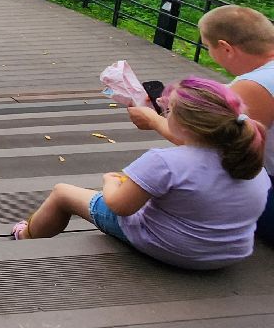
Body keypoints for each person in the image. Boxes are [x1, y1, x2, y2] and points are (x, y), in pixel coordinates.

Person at [14, 78, 269, 269]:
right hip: (230, 253)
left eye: (167, 111)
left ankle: (26, 236)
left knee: (62, 193)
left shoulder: (164, 161)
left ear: (180, 123)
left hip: (177, 249)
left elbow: (119, 207)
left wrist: (110, 183)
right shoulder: (249, 158)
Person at [133, 5, 274, 245]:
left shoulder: (254, 85)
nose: (210, 53)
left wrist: (154, 120)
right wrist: (177, 104)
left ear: (226, 48)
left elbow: (212, 146)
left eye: (208, 47)